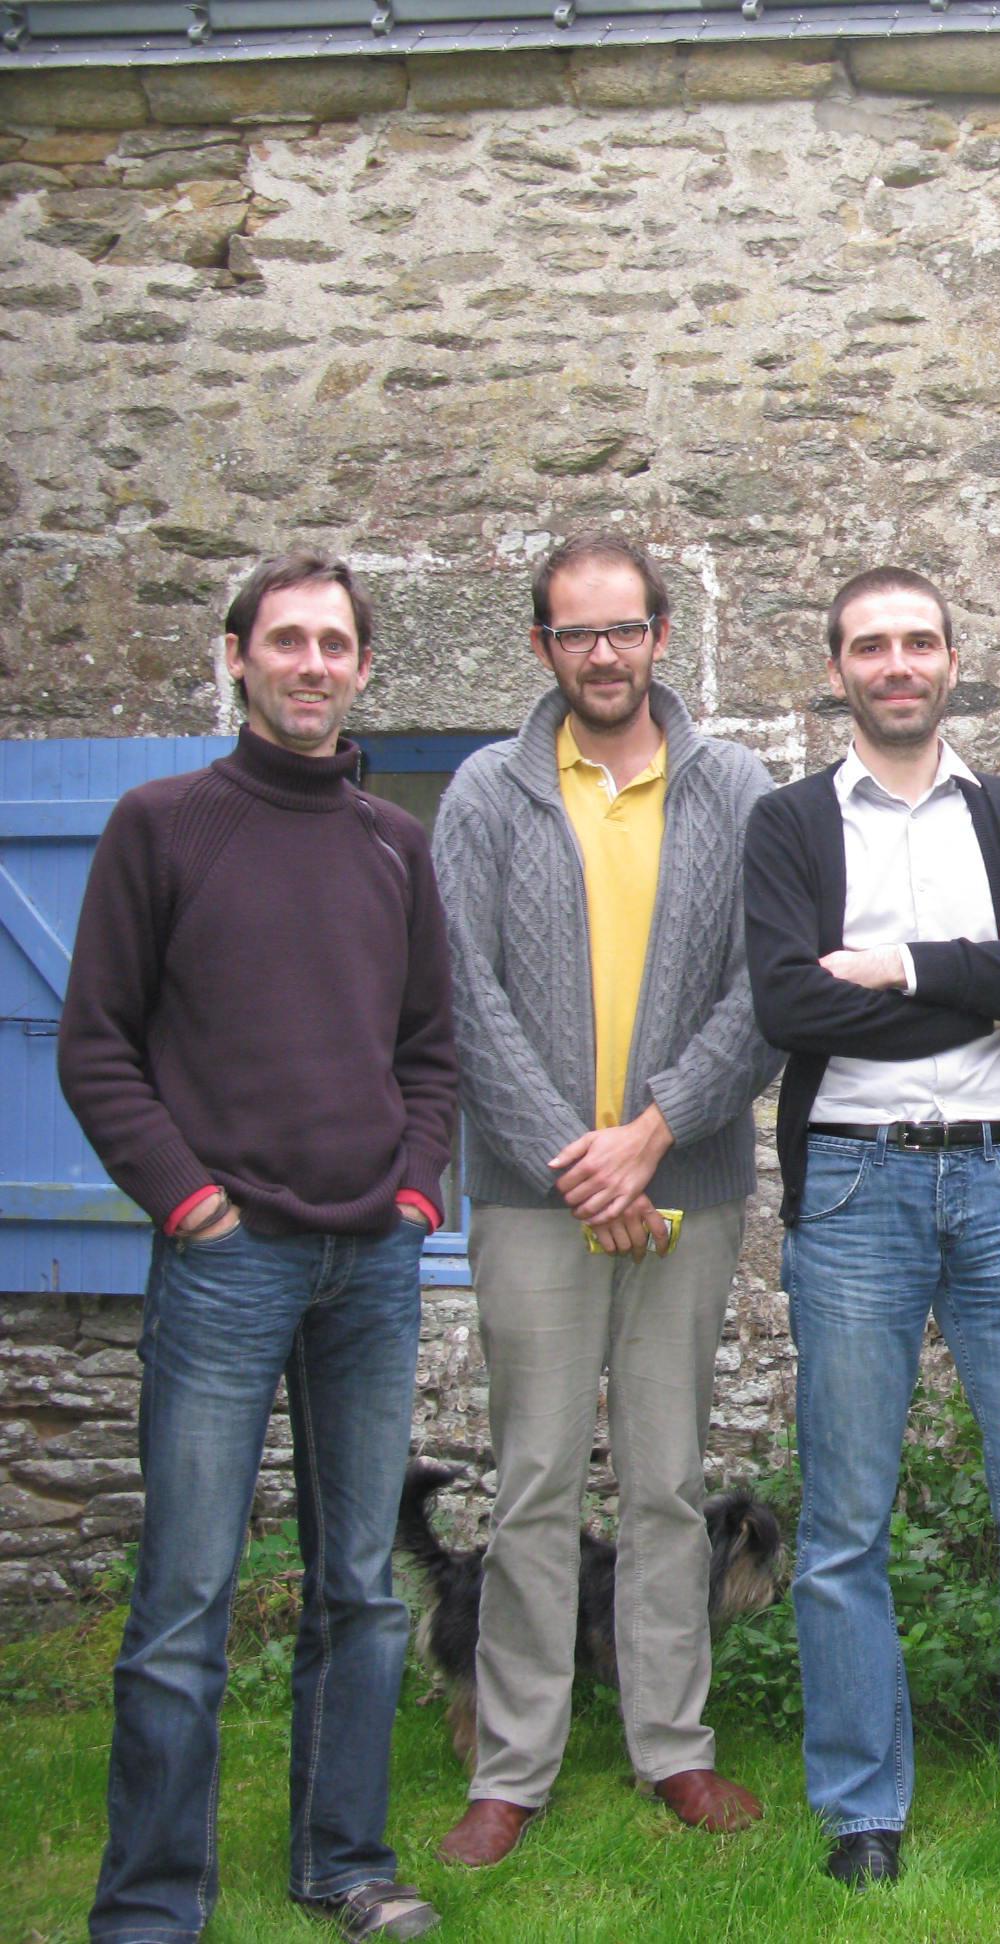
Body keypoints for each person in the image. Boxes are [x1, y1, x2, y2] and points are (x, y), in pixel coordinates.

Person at [60, 552, 455, 1943]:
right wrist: (187, 1202)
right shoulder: (162, 826)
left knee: (362, 1589)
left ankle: (345, 1864)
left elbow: (430, 1053)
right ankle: (152, 1904)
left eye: (334, 644)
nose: (311, 664)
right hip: (225, 1260)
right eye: (285, 640)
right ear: (236, 658)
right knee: (185, 1600)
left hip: (371, 1266)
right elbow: (96, 1046)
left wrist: (415, 1196)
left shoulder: (395, 846)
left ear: (362, 668)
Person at [741, 566, 1000, 1884]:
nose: (897, 663)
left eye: (919, 641)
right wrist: (988, 976)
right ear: (838, 670)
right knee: (846, 1523)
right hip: (855, 1186)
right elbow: (792, 1008)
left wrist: (903, 966)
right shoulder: (790, 823)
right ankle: (863, 1807)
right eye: (871, 645)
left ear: (953, 661)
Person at [430, 534, 781, 1868]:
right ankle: (512, 1765)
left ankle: (672, 1747)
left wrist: (652, 1135)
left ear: (659, 635)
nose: (602, 653)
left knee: (668, 1482)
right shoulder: (485, 791)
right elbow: (460, 992)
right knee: (529, 1480)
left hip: (684, 1184)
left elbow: (766, 987)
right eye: (575, 633)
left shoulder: (734, 788)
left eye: (623, 628)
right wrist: (577, 1161)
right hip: (535, 1198)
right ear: (542, 647)